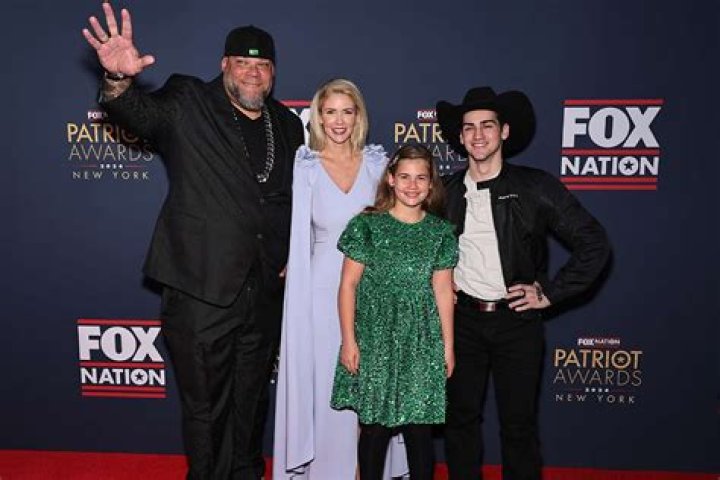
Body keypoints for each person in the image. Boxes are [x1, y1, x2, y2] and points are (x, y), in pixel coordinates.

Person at [82, 5, 304, 479]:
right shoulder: (188, 100)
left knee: (251, 402)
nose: (253, 72)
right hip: (199, 289)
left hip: (263, 292)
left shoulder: (286, 124)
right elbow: (140, 114)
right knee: (206, 408)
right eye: (242, 63)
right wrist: (117, 79)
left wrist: (293, 254)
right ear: (224, 65)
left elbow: (291, 199)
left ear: (273, 72)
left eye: (262, 65)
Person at [435, 87, 611, 480]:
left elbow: (593, 242)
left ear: (504, 131)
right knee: (460, 422)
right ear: (460, 137)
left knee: (519, 426)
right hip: (461, 323)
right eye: (469, 128)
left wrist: (549, 292)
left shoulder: (535, 187)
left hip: (516, 323)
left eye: (487, 125)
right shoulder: (443, 192)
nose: (478, 135)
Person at [273, 79, 406, 479]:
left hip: (372, 290)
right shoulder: (305, 167)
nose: (338, 121)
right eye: (330, 112)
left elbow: (398, 229)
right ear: (318, 116)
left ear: (358, 116)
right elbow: (294, 231)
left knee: (369, 384)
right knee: (325, 384)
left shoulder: (378, 165)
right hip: (318, 291)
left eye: (347, 111)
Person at [331, 144, 459, 480]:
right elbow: (348, 286)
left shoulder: (440, 233)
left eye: (421, 178)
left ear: (431, 184)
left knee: (420, 429)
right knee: (374, 428)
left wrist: (447, 347)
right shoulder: (367, 226)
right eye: (404, 177)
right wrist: (349, 340)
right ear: (390, 179)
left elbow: (443, 291)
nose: (412, 185)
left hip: (421, 340)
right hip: (375, 336)